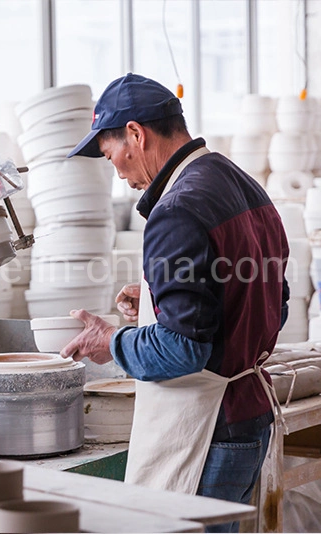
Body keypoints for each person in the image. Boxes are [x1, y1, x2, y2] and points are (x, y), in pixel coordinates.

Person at [61, 73, 290, 533]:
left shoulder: (175, 210)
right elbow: (274, 302)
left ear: (135, 135)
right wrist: (155, 298)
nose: (118, 173)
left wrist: (114, 341)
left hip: (210, 433)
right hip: (248, 417)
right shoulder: (238, 181)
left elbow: (184, 350)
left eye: (112, 157)